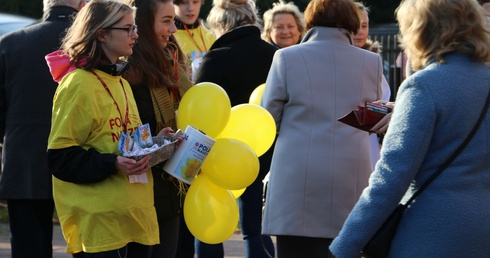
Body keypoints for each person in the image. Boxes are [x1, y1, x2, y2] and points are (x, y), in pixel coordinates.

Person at [330, 0, 490, 257]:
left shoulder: (425, 85)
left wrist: (343, 246)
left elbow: (391, 176)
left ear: (420, 29)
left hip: (432, 231)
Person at [260, 0, 385, 256]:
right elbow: (372, 117)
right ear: (350, 21)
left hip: (296, 175)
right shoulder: (371, 61)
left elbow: (268, 119)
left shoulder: (286, 57)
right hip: (350, 173)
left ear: (310, 19)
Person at [45, 0, 160, 256]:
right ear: (102, 33)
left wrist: (156, 142)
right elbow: (60, 158)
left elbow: (124, 143)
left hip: (135, 219)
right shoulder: (77, 84)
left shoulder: (122, 82)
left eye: (135, 28)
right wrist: (113, 164)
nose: (136, 36)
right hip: (100, 226)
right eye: (128, 29)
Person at [0, 0, 85, 257]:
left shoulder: (9, 43)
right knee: (90, 248)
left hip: (24, 162)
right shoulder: (92, 46)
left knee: (28, 249)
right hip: (83, 161)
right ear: (82, 4)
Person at [193, 0, 278, 257]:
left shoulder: (216, 57)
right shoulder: (275, 55)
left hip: (219, 155)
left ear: (220, 24)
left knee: (210, 222)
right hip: (264, 147)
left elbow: (199, 108)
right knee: (254, 227)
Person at [122, 0, 193, 257]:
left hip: (168, 196)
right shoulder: (124, 74)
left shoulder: (170, 64)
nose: (173, 29)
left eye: (173, 20)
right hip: (135, 202)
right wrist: (158, 143)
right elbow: (118, 143)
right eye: (166, 21)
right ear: (141, 26)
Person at [353, 1, 392, 171]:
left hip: (370, 141)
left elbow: (382, 98)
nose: (359, 32)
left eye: (364, 25)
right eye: (354, 25)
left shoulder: (374, 60)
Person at [173, 0, 216, 81]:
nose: (190, 8)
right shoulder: (168, 37)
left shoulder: (210, 35)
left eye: (195, 2)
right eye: (184, 2)